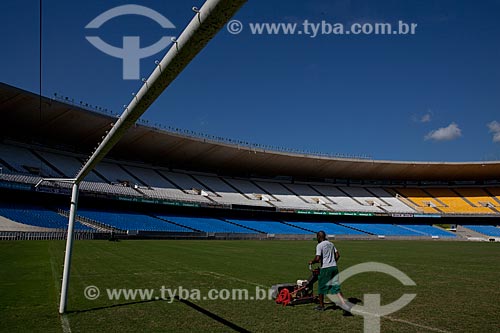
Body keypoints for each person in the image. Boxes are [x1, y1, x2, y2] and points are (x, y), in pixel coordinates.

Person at [308, 230, 349, 311]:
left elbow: (317, 258)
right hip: (334, 267)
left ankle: (321, 306)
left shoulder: (319, 245)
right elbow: (338, 255)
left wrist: (312, 262)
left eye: (317, 237)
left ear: (319, 237)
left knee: (321, 287)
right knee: (336, 287)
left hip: (326, 268)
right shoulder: (331, 243)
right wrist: (333, 262)